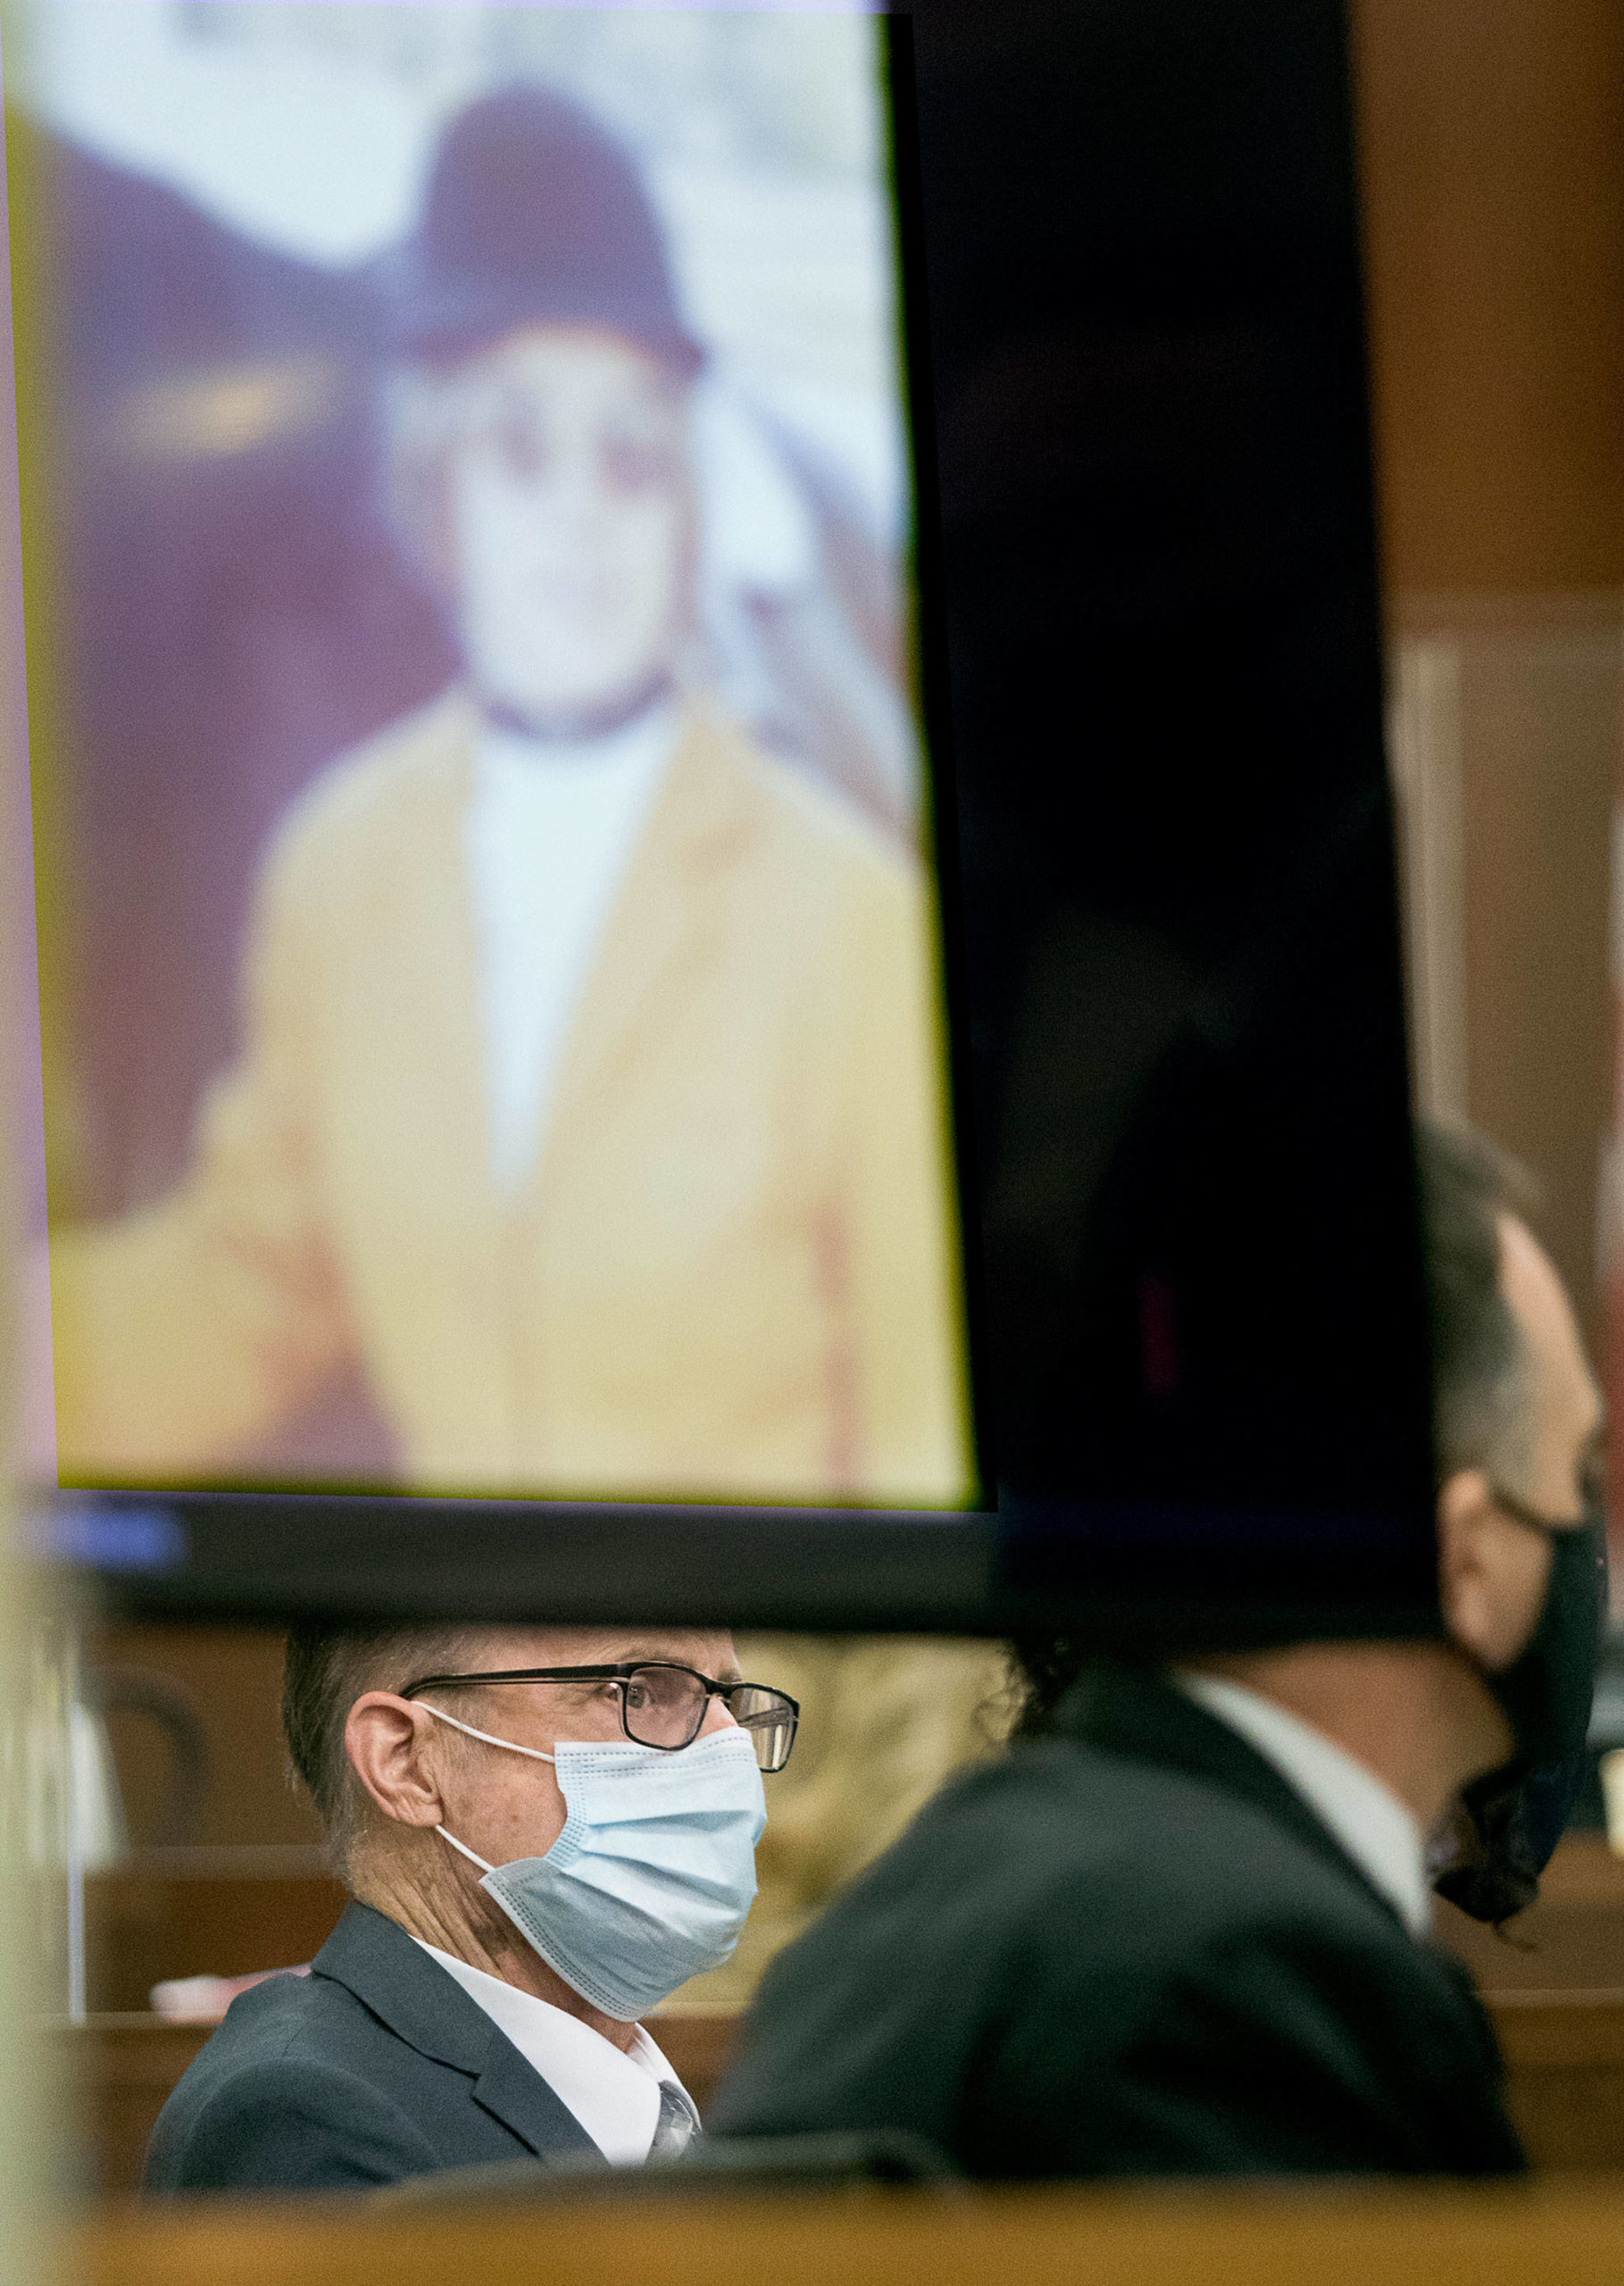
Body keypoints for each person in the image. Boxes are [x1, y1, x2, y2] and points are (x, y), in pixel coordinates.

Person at [44, 85, 967, 1507]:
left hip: (772, 1711)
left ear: (684, 506)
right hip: (474, 1703)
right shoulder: (340, 871)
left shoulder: (850, 918)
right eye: (520, 450)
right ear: (439, 494)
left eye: (630, 455)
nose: (580, 520)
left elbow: (921, 1456)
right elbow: (240, 1291)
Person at [711, 1127, 1607, 2177]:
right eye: (1573, 1469)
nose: (1581, 1528)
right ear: (1462, 1560)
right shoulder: (1244, 1977)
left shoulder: (918, 1901)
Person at [146, 1623, 797, 2192]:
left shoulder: (665, 2099)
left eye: (727, 1701)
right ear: (406, 1762)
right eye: (637, 1690)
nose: (727, 1744)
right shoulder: (303, 2117)